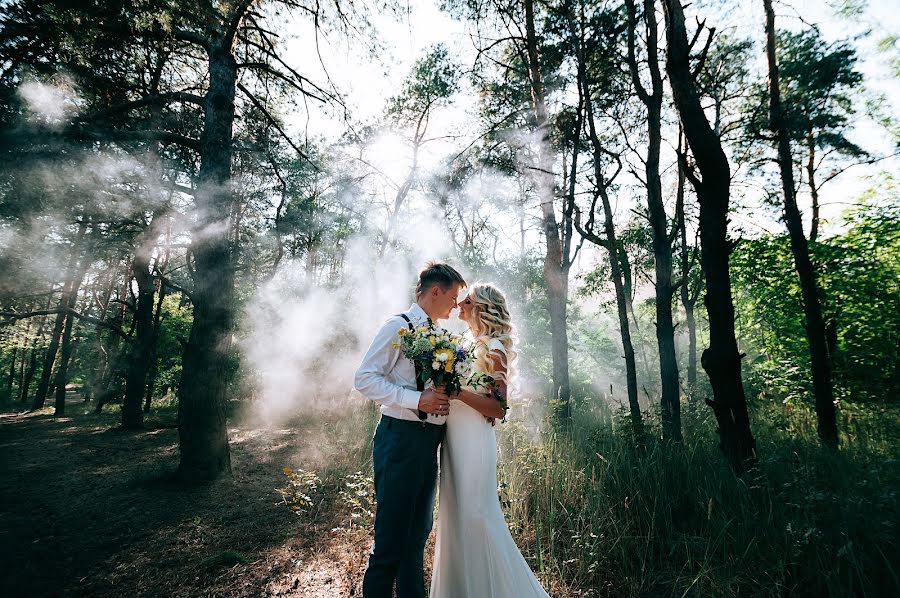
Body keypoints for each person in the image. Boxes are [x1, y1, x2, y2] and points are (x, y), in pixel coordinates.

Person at [430, 282, 550, 598]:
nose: (459, 306)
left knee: (476, 517)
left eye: (466, 301)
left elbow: (498, 408)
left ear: (482, 307)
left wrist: (457, 392)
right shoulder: (465, 346)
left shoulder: (494, 348)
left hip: (474, 442)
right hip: (453, 441)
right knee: (455, 518)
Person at [354, 262, 467, 598]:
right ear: (436, 291)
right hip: (400, 439)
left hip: (428, 444)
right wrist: (417, 399)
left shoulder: (440, 336)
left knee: (416, 539)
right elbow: (364, 379)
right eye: (453, 295)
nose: (456, 304)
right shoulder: (396, 327)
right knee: (390, 542)